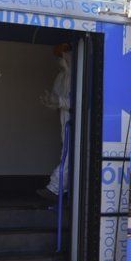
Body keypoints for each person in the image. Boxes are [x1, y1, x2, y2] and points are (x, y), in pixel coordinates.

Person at [38, 43, 73, 201]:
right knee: (66, 152)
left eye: (65, 53)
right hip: (65, 120)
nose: (62, 57)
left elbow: (81, 102)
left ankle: (55, 188)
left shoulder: (79, 74)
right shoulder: (61, 76)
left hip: (78, 122)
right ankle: (59, 189)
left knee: (70, 154)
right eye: (60, 54)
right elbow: (56, 99)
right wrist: (50, 101)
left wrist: (58, 101)